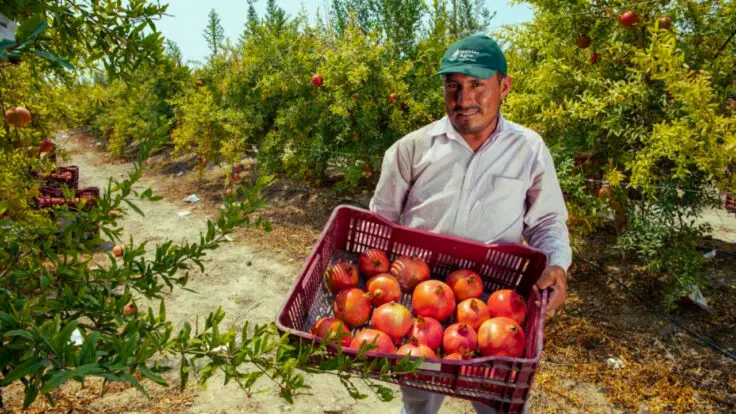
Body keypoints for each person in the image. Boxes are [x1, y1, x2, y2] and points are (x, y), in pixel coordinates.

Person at [368, 34, 572, 414]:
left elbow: (547, 220)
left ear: (504, 86)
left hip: (494, 302)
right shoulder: (411, 148)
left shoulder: (528, 149)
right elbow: (382, 221)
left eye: (477, 85)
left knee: (498, 402)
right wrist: (394, 274)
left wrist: (557, 265)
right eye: (454, 86)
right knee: (418, 399)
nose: (464, 100)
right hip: (419, 300)